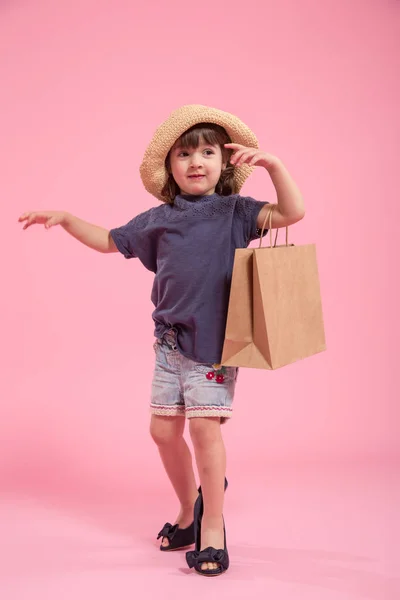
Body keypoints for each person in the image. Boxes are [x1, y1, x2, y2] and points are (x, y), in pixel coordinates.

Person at [19, 104, 305, 577]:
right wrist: (68, 218)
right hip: (169, 345)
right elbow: (109, 240)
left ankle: (213, 524)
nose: (196, 161)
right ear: (169, 168)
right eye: (184, 154)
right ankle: (189, 510)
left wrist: (273, 166)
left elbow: (294, 212)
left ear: (225, 162)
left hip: (213, 344)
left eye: (208, 152)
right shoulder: (160, 218)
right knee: (162, 432)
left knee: (204, 430)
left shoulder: (238, 212)